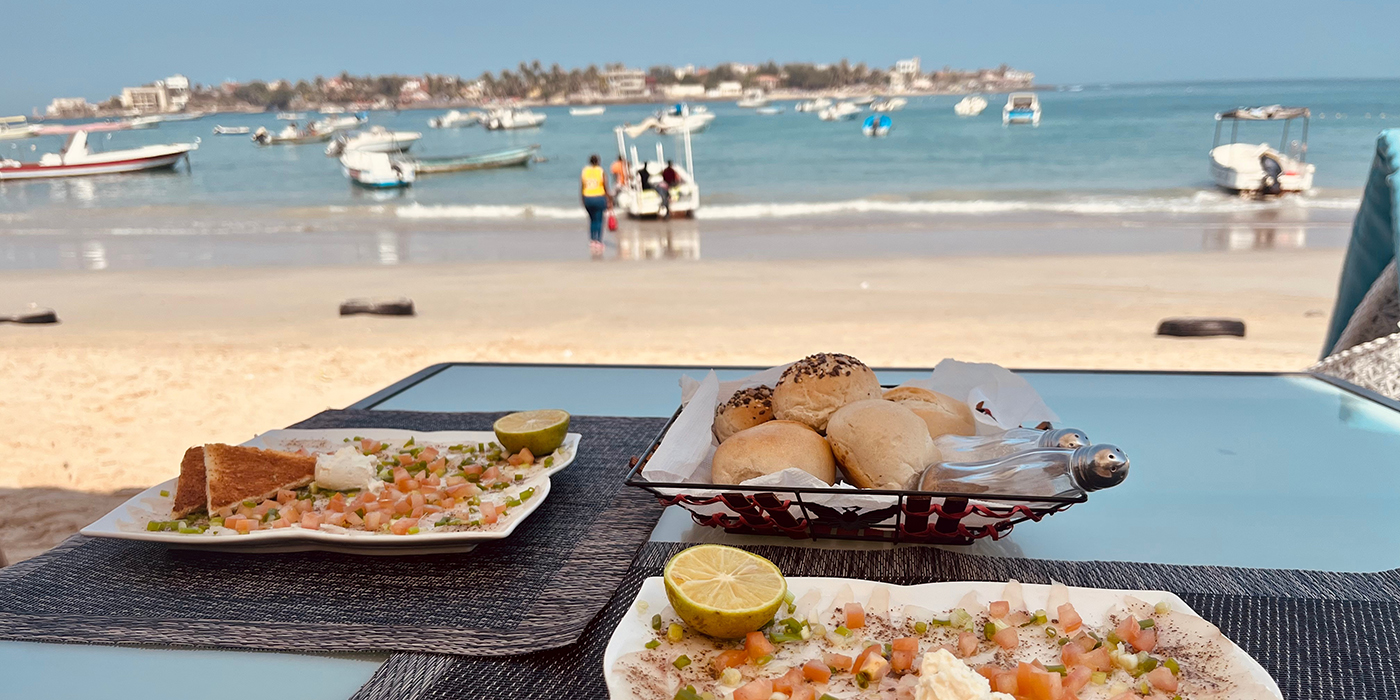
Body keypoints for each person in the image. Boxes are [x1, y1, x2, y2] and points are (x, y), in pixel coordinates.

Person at [580, 154, 610, 257]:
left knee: (592, 219)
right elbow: (605, 186)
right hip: (599, 197)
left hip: (587, 197)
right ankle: (598, 241)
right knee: (599, 220)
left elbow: (582, 186)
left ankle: (592, 240)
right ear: (598, 161)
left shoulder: (585, 171)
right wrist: (609, 198)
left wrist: (582, 199)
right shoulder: (601, 171)